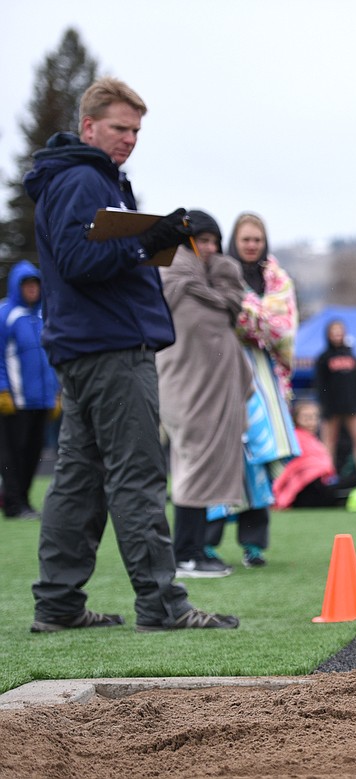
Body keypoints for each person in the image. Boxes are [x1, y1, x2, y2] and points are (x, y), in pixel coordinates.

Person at [21, 77, 237, 631]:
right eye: (119, 128)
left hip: (89, 346)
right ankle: (162, 605)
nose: (130, 139)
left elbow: (90, 258)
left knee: (78, 479)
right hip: (112, 348)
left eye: (137, 130)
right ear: (88, 126)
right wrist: (150, 239)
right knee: (137, 475)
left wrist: (152, 236)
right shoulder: (83, 181)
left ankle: (59, 604)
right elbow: (78, 261)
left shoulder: (85, 179)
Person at [156, 210, 252, 579]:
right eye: (203, 240)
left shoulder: (213, 283)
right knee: (193, 467)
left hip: (212, 392)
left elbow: (224, 322)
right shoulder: (173, 281)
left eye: (215, 241)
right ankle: (186, 554)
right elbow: (199, 331)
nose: (210, 249)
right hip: (187, 390)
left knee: (198, 468)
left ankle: (194, 550)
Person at [205, 212, 299, 570]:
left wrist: (254, 320)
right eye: (245, 239)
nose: (251, 245)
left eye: (257, 239)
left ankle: (254, 544)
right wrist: (255, 321)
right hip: (225, 372)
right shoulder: (219, 273)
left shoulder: (278, 281)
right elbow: (219, 316)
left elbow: (283, 327)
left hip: (265, 376)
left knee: (260, 455)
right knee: (222, 457)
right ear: (235, 241)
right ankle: (207, 542)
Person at [0, 261, 58, 520]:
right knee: (13, 454)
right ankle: (13, 504)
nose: (32, 289)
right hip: (16, 401)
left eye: (35, 284)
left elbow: (52, 358)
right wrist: (3, 391)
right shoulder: (5, 315)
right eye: (27, 284)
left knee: (33, 454)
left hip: (42, 400)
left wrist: (56, 394)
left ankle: (21, 500)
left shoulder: (43, 315)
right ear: (17, 286)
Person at [273, 401, 356, 509]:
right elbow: (298, 466)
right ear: (296, 419)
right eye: (306, 417)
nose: (311, 421)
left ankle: (338, 499)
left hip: (318, 485)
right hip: (302, 489)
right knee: (348, 485)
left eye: (314, 417)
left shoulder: (313, 440)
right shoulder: (295, 438)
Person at [314, 319, 356, 484]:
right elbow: (320, 385)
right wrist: (325, 406)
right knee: (329, 442)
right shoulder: (323, 358)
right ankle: (328, 475)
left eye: (340, 331)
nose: (337, 335)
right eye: (334, 331)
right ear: (328, 334)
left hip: (353, 406)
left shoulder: (353, 357)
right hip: (332, 407)